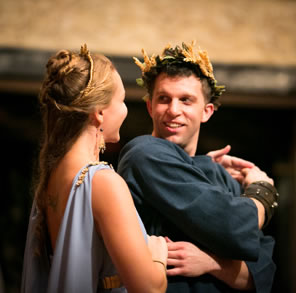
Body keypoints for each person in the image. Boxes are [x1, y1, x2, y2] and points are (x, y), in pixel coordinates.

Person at [117, 41, 279, 292]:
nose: (173, 110)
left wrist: (213, 264)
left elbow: (264, 276)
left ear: (207, 111)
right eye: (163, 99)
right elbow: (235, 224)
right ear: (150, 107)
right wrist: (263, 190)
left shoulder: (221, 175)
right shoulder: (143, 154)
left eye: (186, 100)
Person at [21, 44, 168, 293]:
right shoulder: (103, 183)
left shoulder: (50, 181)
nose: (125, 110)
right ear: (99, 113)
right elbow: (149, 289)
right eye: (122, 100)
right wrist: (157, 255)